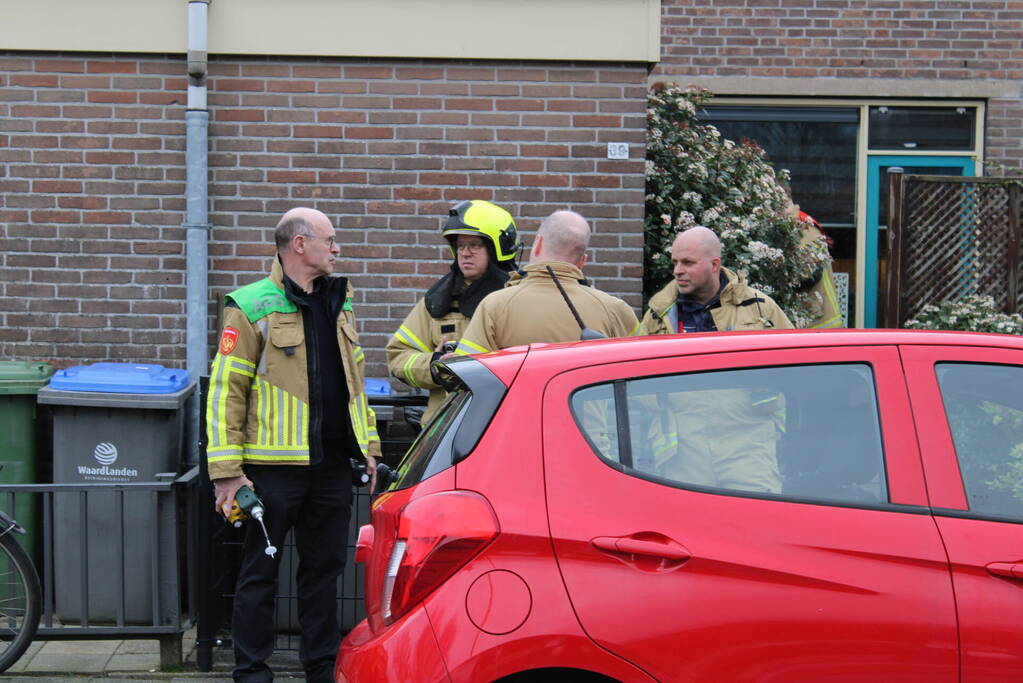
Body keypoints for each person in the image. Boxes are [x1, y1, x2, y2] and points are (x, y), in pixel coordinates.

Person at [205, 207, 380, 683]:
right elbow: (225, 392)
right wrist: (226, 473)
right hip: (268, 470)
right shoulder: (250, 305)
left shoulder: (340, 302)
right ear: (299, 244)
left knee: (323, 575)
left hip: (329, 469)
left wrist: (369, 445)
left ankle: (320, 668)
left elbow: (356, 381)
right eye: (329, 239)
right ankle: (252, 672)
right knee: (259, 575)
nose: (336, 248)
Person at [639, 226, 791, 494]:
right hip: (683, 449)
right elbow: (634, 378)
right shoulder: (658, 314)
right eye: (675, 262)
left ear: (714, 265)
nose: (677, 271)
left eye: (688, 262)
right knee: (689, 530)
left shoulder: (759, 308)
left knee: (761, 525)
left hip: (748, 444)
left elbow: (797, 369)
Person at [386, 200, 519, 424]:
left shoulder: (519, 299)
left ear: (499, 247)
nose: (465, 253)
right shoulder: (438, 300)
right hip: (446, 431)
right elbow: (398, 358)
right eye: (460, 246)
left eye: (475, 245)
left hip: (504, 424)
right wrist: (436, 365)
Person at [455, 209, 639, 354]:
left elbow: (467, 378)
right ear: (582, 261)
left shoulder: (494, 306)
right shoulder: (617, 311)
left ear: (538, 243)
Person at [789, 203, 844, 329]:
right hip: (817, 321)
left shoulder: (804, 227)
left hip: (821, 323)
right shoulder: (796, 224)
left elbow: (808, 276)